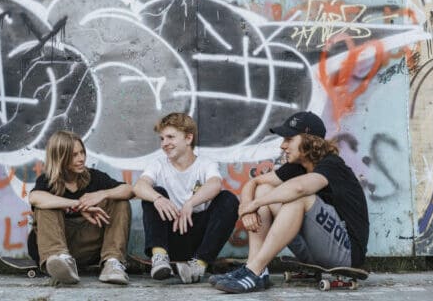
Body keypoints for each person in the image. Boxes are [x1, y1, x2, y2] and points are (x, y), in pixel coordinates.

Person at [211, 111, 369, 293]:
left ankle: (252, 271)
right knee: (264, 190)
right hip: (315, 252)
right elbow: (254, 183)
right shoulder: (297, 167)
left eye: (289, 139)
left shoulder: (332, 164)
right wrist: (247, 209)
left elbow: (300, 188)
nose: (282, 146)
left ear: (310, 141)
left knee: (298, 198)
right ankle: (256, 269)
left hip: (346, 254)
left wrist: (255, 204)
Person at [133, 113, 239, 284]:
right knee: (153, 194)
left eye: (170, 137)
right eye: (162, 139)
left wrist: (190, 203)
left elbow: (215, 184)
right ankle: (159, 258)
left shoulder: (205, 163)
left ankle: (198, 264)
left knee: (228, 199)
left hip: (198, 239)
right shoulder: (158, 164)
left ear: (188, 138)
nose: (164, 144)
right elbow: (139, 186)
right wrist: (158, 198)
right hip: (169, 237)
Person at [28, 131, 133, 285]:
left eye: (82, 152)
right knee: (45, 206)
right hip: (55, 247)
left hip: (89, 245)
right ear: (60, 157)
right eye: (74, 155)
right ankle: (61, 262)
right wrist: (77, 204)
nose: (81, 158)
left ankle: (112, 263)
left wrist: (102, 194)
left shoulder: (94, 177)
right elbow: (34, 197)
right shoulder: (48, 181)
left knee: (120, 200)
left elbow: (129, 190)